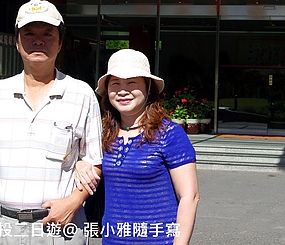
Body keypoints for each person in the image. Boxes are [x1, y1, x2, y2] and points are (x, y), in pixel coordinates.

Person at [0, 0, 103, 245]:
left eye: (47, 34)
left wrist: (73, 203)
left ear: (60, 43)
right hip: (2, 227)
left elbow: (94, 163)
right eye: (29, 33)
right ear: (17, 42)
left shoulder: (81, 94)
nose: (38, 41)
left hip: (62, 227)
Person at [79, 48, 200, 244]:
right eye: (115, 83)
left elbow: (189, 196)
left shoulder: (169, 134)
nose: (122, 91)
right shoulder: (103, 133)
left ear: (148, 87)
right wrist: (80, 164)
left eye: (131, 82)